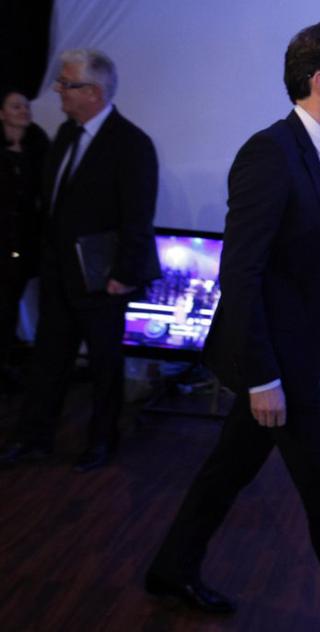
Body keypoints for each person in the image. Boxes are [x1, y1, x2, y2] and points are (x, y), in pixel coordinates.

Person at [146, 21, 320, 617]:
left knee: (227, 470)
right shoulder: (270, 153)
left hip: (293, 354)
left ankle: (171, 568)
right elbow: (240, 273)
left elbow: (293, 257)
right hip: (281, 369)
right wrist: (263, 378)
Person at [0, 50, 158, 472]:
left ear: (93, 92)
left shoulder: (132, 144)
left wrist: (123, 275)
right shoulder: (65, 135)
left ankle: (102, 441)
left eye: (66, 83)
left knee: (105, 365)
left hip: (102, 278)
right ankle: (33, 437)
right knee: (48, 360)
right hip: (59, 274)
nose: (58, 90)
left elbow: (138, 216)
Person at [0, 88, 49, 386]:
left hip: (24, 241)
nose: (24, 111)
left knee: (10, 303)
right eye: (16, 107)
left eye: (26, 106)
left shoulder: (38, 149)